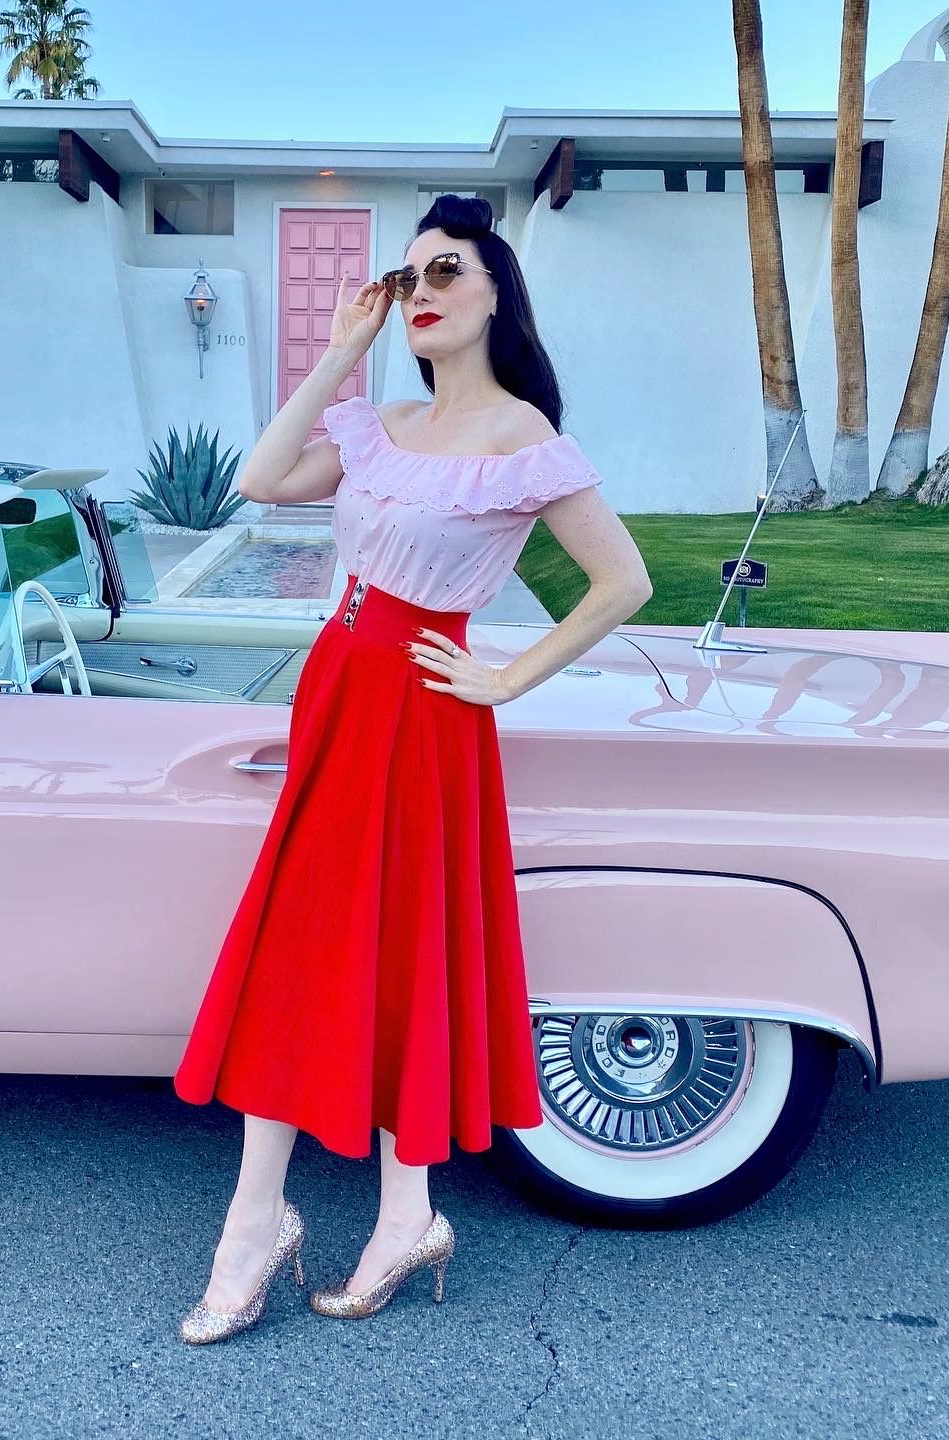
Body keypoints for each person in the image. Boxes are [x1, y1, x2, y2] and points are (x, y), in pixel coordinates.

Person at [172, 194, 653, 1343]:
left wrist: (509, 678)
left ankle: (288, 1222)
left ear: (495, 294)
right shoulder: (381, 421)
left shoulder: (524, 439)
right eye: (410, 276)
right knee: (314, 944)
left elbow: (624, 582)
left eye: (447, 271)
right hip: (339, 690)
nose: (422, 291)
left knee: (391, 948)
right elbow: (261, 479)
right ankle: (382, 1214)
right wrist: (342, 348)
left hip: (422, 711)